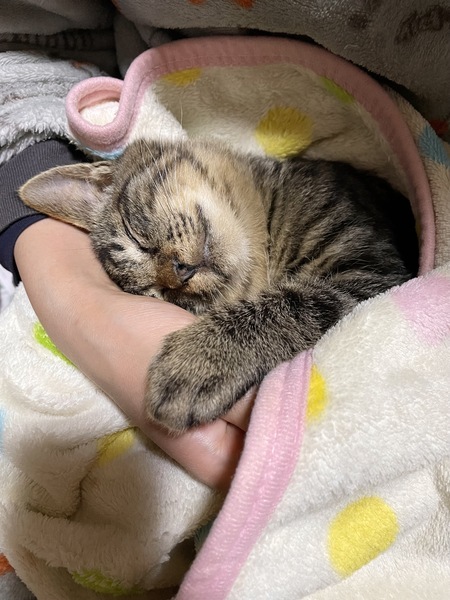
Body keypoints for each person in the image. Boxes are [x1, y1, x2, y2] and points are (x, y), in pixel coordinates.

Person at [1, 0, 448, 491]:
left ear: (110, 178)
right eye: (162, 293)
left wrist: (233, 339)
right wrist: (81, 300)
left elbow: (377, 285)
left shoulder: (300, 197)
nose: (174, 273)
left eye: (141, 238)